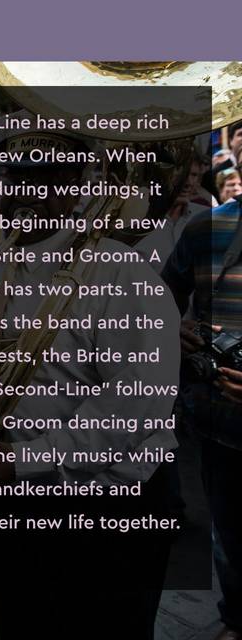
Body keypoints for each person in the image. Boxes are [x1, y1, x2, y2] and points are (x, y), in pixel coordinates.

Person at [0, 122, 181, 638]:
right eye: (12, 179)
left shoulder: (122, 273)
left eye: (46, 179)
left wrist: (23, 458)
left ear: (74, 187)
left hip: (104, 503)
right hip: (17, 491)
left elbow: (138, 401)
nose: (25, 194)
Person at [163, 197, 242, 640]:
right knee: (230, 537)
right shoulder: (205, 228)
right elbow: (163, 295)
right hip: (220, 426)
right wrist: (173, 325)